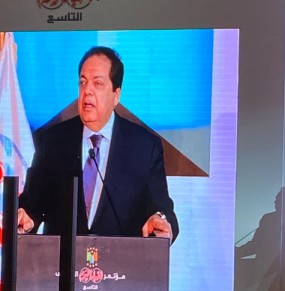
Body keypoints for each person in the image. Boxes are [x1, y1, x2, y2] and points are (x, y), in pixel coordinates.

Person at [17, 46, 178, 243]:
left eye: (98, 83)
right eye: (83, 82)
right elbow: (31, 206)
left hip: (121, 260)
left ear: (116, 95)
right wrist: (26, 219)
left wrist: (160, 220)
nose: (87, 91)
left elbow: (162, 210)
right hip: (61, 261)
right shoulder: (52, 141)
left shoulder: (144, 147)